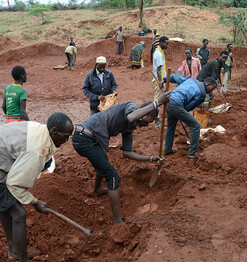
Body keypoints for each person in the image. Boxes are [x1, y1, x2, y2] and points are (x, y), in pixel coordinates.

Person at [72, 92, 171, 224]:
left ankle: (97, 190)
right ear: (146, 114)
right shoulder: (132, 107)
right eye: (150, 121)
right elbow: (130, 117)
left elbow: (127, 153)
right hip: (85, 137)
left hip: (90, 139)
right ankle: (118, 221)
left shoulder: (130, 128)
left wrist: (152, 158)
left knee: (103, 163)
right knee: (112, 176)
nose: (148, 125)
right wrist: (157, 102)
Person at [0, 112, 74, 262]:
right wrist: (35, 202)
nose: (67, 140)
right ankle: (22, 259)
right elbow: (14, 184)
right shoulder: (37, 152)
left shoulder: (41, 130)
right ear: (54, 131)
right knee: (19, 215)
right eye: (65, 136)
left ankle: (14, 251)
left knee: (6, 207)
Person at [164, 75, 218, 158]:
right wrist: (181, 113)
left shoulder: (192, 80)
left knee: (171, 127)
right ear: (208, 85)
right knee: (196, 126)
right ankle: (192, 153)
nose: (211, 91)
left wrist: (164, 79)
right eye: (212, 89)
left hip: (169, 100)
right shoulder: (202, 94)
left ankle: (167, 150)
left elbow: (175, 77)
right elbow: (188, 107)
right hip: (176, 104)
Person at [152, 35, 169, 127]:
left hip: (161, 80)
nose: (167, 46)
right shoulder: (158, 54)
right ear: (162, 43)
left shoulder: (160, 52)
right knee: (157, 101)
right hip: (160, 81)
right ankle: (157, 120)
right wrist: (161, 82)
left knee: (162, 99)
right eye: (166, 44)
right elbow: (158, 70)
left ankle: (160, 118)